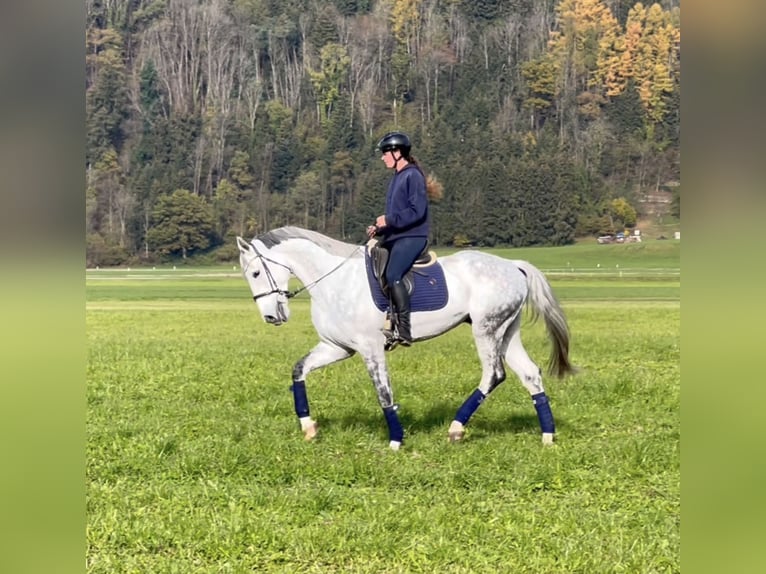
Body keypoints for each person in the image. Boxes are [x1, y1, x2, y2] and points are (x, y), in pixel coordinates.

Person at [366, 131, 434, 347]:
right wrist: (379, 228)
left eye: (385, 153)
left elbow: (417, 212)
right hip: (398, 236)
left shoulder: (412, 175)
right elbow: (396, 220)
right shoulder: (398, 177)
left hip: (413, 237)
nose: (382, 157)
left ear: (397, 152)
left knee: (394, 274)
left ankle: (403, 329)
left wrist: (388, 219)